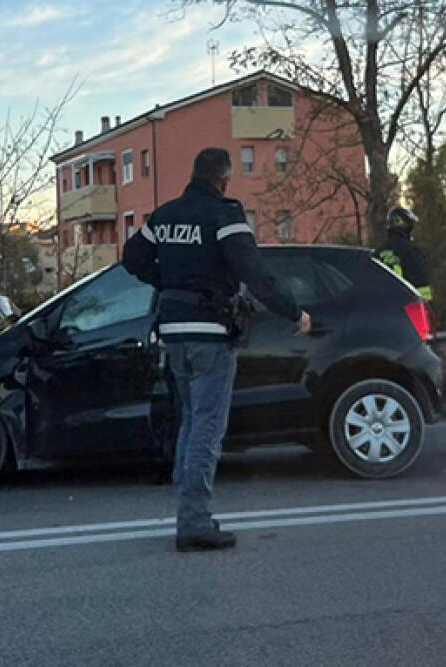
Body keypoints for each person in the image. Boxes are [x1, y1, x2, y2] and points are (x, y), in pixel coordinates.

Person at [123, 147, 310, 552]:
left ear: (194, 174)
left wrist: (169, 283)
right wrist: (293, 312)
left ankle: (188, 511)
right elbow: (252, 270)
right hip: (210, 331)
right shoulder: (224, 214)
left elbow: (132, 257)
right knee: (207, 426)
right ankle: (194, 522)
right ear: (223, 179)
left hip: (173, 332)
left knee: (191, 421)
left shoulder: (166, 214)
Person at [374, 206, 432, 301]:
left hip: (384, 305)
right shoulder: (411, 250)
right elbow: (421, 282)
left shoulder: (379, 251)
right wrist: (426, 305)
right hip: (407, 304)